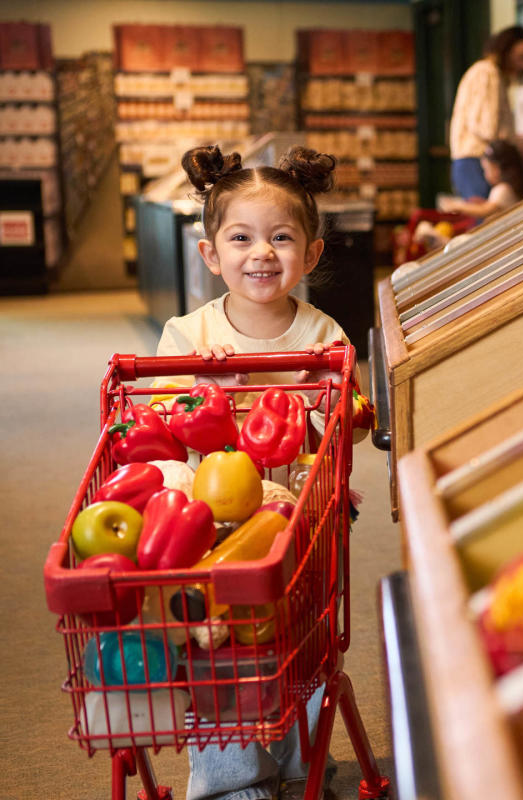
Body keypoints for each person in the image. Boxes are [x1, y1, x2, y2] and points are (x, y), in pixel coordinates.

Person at [163, 143, 345, 800]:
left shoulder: (325, 335)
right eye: (240, 237)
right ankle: (231, 778)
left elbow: (338, 433)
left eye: (281, 237)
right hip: (211, 531)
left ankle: (302, 762)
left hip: (299, 518)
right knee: (221, 649)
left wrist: (298, 389)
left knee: (303, 639)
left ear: (312, 253)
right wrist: (205, 391)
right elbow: (157, 434)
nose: (261, 253)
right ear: (211, 254)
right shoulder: (186, 337)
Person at [448, 24, 523, 201]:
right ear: (506, 48)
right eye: (521, 57)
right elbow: (487, 128)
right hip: (476, 161)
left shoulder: (492, 75)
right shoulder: (487, 73)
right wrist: (519, 145)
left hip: (475, 161)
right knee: (487, 221)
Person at [439, 139, 523, 218]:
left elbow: (484, 211)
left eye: (486, 170)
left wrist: (457, 206)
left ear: (497, 169)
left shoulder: (502, 189)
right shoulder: (509, 188)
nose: (485, 175)